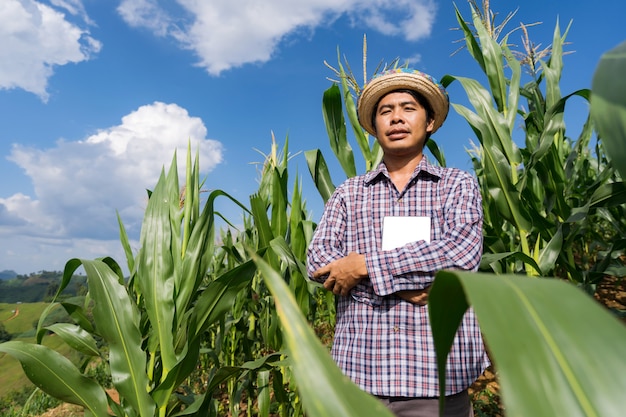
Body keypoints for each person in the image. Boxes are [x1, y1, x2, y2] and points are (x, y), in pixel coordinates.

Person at [307, 68, 489, 417]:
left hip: (437, 377)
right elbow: (320, 261)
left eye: (408, 108)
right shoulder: (349, 193)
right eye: (385, 111)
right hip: (359, 374)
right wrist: (400, 287)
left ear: (430, 121)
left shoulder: (456, 185)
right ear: (374, 128)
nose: (396, 118)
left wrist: (363, 267)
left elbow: (461, 252)